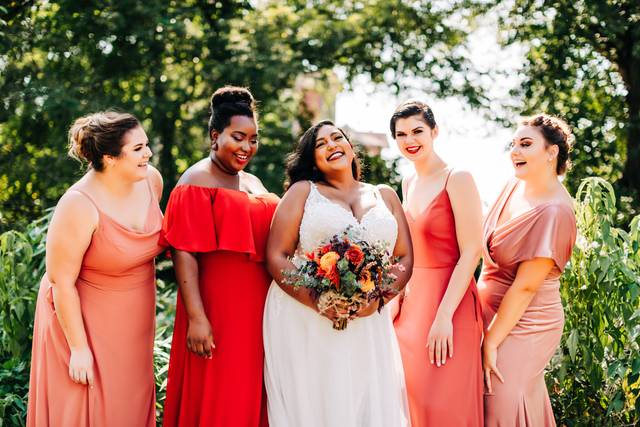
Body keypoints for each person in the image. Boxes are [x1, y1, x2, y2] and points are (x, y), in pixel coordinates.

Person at [263, 120, 413, 427]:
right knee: (320, 404)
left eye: (337, 138)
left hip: (369, 319)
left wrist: (377, 298)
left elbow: (404, 256)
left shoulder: (384, 195)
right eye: (321, 144)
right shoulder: (304, 192)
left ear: (349, 146)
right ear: (312, 160)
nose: (332, 145)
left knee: (365, 401)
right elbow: (276, 255)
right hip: (307, 316)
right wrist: (318, 299)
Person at [27, 111, 164, 426]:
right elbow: (61, 282)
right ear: (109, 157)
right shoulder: (78, 205)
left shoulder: (150, 180)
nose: (148, 153)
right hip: (81, 322)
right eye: (138, 149)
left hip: (133, 323)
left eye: (146, 145)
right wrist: (79, 349)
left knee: (128, 406)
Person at [161, 86, 277, 427]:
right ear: (216, 135)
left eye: (253, 139)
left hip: (260, 308)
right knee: (222, 392)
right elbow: (184, 252)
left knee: (254, 389)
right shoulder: (195, 180)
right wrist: (197, 318)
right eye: (238, 137)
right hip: (218, 307)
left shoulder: (253, 181)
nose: (247, 147)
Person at [388, 100, 484, 426]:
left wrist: (444, 316)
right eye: (401, 134)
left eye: (417, 131)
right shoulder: (408, 183)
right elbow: (407, 249)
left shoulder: (458, 178)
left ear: (434, 131)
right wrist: (397, 297)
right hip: (413, 306)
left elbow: (472, 251)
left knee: (446, 403)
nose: (410, 140)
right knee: (413, 401)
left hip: (450, 304)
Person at [479, 114, 577, 426]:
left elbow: (525, 288)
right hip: (491, 311)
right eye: (514, 144)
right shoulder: (512, 186)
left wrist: (490, 341)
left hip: (529, 320)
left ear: (552, 153)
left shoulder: (555, 211)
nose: (515, 151)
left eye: (525, 144)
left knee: (501, 402)